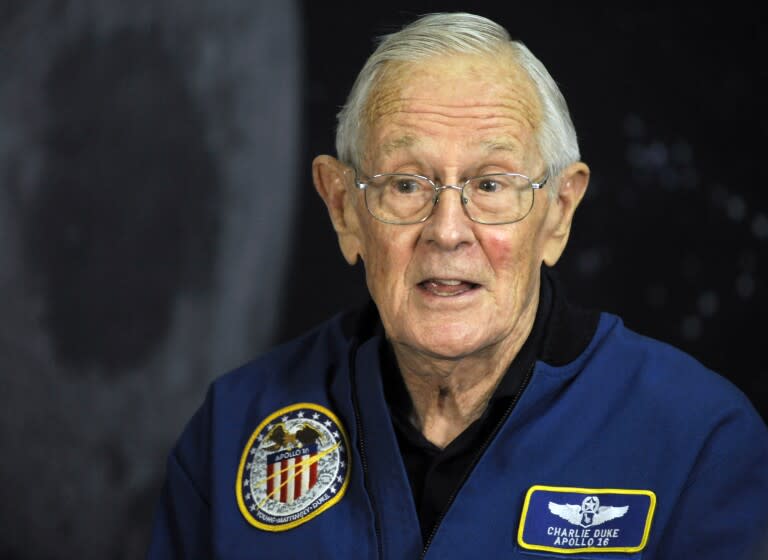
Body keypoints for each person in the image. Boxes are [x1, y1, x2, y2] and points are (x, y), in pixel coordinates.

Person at [146, 12, 768, 559]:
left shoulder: (698, 442)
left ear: (559, 212)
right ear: (343, 210)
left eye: (491, 185)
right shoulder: (232, 431)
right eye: (407, 184)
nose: (447, 232)